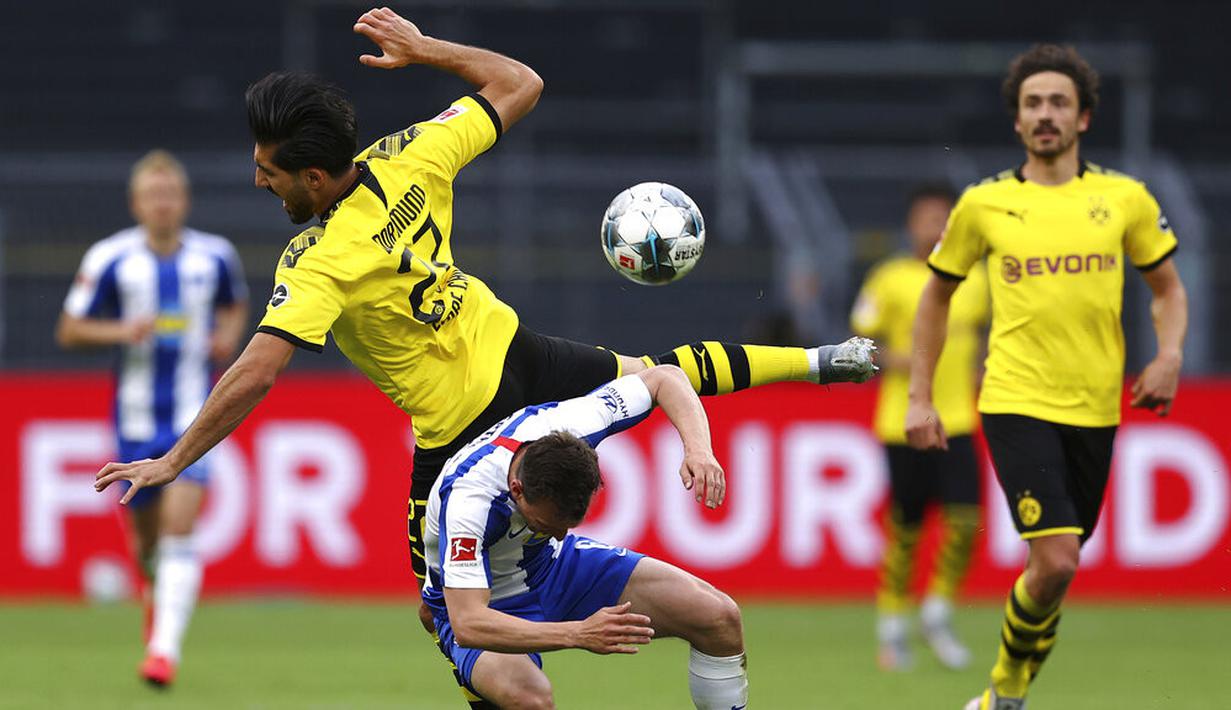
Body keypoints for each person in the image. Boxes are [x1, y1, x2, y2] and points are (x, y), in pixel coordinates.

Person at [94, 7, 873, 705]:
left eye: (268, 170)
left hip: (465, 419)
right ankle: (817, 363)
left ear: (313, 176)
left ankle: (815, 364)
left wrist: (174, 458)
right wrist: (426, 50)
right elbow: (519, 82)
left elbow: (256, 370)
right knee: (657, 379)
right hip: (517, 363)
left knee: (661, 383)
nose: (257, 177)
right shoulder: (408, 155)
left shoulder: (317, 261)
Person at [904, 44, 1187, 710]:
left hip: (1095, 408)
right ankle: (1003, 692)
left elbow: (1167, 289)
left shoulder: (1123, 199)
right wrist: (920, 395)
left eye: (1058, 102)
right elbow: (935, 297)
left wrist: (1169, 354)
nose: (1045, 114)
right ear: (1017, 121)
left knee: (1049, 575)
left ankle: (1008, 694)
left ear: (1083, 117)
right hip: (1014, 399)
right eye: (1032, 103)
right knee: (1057, 559)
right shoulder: (984, 205)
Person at [423, 365, 746, 709]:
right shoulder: (469, 501)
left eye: (570, 523)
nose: (562, 533)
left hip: (554, 567)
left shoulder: (574, 424)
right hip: (486, 603)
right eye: (547, 522)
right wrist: (577, 632)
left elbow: (665, 377)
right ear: (516, 490)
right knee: (530, 699)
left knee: (718, 616)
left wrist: (699, 450)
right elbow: (469, 623)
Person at [58, 149, 249, 687]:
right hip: (135, 421)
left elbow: (235, 304)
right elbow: (69, 330)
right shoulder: (110, 258)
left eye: (170, 195)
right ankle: (157, 603)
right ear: (136, 203)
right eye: (152, 196)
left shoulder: (214, 257)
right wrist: (121, 332)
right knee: (146, 548)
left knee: (180, 528)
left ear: (183, 201)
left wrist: (228, 337)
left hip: (195, 418)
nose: (162, 205)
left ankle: (162, 652)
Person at [851, 184, 988, 671]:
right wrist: (893, 357)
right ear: (911, 225)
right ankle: (892, 625)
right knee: (906, 528)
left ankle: (937, 609)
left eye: (943, 219)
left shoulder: (976, 279)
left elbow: (985, 337)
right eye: (926, 218)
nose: (935, 227)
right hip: (902, 422)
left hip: (959, 419)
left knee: (968, 519)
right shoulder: (888, 279)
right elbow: (861, 345)